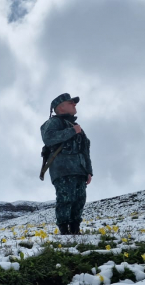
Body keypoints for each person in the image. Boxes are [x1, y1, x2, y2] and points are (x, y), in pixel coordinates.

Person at [40, 93, 93, 234]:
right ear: (61, 107)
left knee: (79, 200)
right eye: (71, 103)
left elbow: (85, 150)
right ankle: (64, 231)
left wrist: (88, 171)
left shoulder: (77, 127)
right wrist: (72, 131)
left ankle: (75, 230)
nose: (74, 104)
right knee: (66, 199)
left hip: (79, 170)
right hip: (63, 169)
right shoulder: (53, 122)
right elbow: (48, 138)